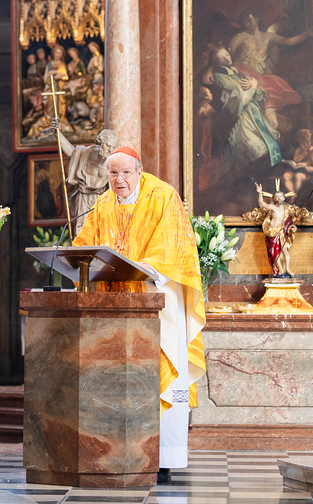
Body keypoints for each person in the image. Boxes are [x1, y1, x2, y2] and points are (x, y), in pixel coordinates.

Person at [72, 146, 206, 484]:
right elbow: (84, 247)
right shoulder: (103, 203)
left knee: (160, 376)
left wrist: (139, 267)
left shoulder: (162, 196)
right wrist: (75, 257)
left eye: (125, 173)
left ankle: (162, 458)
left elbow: (174, 246)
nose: (119, 180)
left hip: (156, 302)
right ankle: (117, 454)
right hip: (115, 308)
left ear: (139, 171)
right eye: (113, 173)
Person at [52, 119, 118, 236]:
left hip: (102, 200)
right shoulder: (85, 153)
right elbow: (71, 152)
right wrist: (57, 133)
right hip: (83, 199)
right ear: (100, 142)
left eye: (113, 147)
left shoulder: (113, 164)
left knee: (102, 233)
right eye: (108, 146)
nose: (110, 150)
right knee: (82, 233)